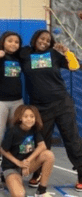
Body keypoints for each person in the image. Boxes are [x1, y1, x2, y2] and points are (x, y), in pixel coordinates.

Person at [19, 30, 82, 191]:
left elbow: (74, 67)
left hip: (62, 104)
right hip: (40, 107)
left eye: (48, 40)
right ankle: (38, 173)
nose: (44, 42)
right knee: (41, 142)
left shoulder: (54, 54)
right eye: (42, 38)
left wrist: (66, 51)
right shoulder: (25, 53)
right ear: (35, 39)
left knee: (72, 140)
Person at [0, 31, 24, 190]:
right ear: (3, 42)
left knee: (17, 135)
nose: (13, 44)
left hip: (17, 101)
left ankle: (11, 168)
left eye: (16, 42)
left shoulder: (19, 57)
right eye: (10, 41)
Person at [0, 105, 55, 197]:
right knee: (19, 195)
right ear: (20, 118)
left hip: (26, 166)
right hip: (11, 168)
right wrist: (19, 163)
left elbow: (42, 146)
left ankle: (41, 191)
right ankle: (9, 179)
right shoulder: (13, 131)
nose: (29, 119)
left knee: (49, 155)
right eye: (26, 116)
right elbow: (3, 149)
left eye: (32, 116)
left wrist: (27, 161)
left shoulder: (35, 129)